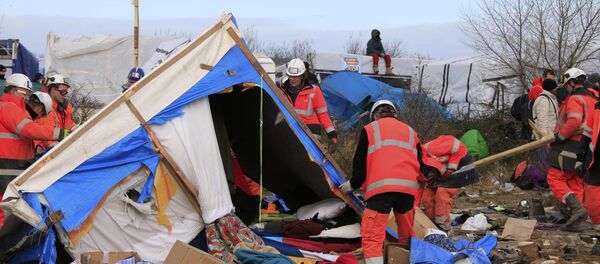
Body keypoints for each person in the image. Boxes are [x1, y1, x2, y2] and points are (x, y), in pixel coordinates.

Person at [339, 100, 422, 264]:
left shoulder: (370, 129)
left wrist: (352, 185)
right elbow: (420, 162)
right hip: (407, 190)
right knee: (406, 234)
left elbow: (360, 165)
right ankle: (406, 260)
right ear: (394, 114)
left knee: (372, 237)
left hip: (381, 190)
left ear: (374, 116)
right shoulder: (411, 131)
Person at [0, 74, 67, 226]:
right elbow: (28, 130)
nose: (27, 97)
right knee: (5, 213)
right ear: (14, 90)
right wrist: (60, 134)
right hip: (7, 170)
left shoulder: (13, 108)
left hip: (10, 169)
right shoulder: (9, 107)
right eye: (25, 93)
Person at [547, 68, 597, 232]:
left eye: (567, 84)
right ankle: (578, 220)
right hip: (585, 147)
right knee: (575, 181)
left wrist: (560, 136)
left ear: (572, 83)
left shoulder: (575, 99)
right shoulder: (593, 99)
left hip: (569, 145)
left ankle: (576, 209)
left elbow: (574, 121)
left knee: (554, 177)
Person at [420, 135, 469, 230]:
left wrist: (451, 167)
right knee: (427, 195)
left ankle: (444, 227)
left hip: (461, 166)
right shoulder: (422, 157)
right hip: (441, 171)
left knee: (442, 192)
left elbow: (458, 148)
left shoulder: (436, 149)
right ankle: (431, 225)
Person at [281, 58, 337, 142]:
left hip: (311, 132)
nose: (293, 79)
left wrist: (331, 133)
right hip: (290, 130)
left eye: (296, 76)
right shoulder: (282, 92)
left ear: (302, 76)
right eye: (291, 76)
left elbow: (322, 114)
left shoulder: (315, 91)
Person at [36, 73, 76, 148]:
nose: (64, 94)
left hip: (56, 150)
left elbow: (70, 127)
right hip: (44, 154)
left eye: (66, 92)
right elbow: (47, 139)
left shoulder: (62, 110)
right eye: (62, 91)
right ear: (53, 90)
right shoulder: (45, 110)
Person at [581, 101, 600, 233]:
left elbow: (587, 135)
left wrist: (579, 157)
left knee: (592, 187)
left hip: (597, 157)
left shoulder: (596, 109)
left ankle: (598, 222)